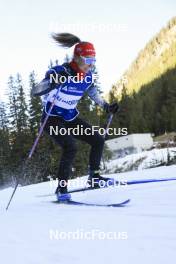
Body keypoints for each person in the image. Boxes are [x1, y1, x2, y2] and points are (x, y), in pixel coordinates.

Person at [39, 33, 119, 201]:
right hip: (52, 118)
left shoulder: (88, 77)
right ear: (77, 57)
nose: (91, 65)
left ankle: (95, 178)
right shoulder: (61, 70)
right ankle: (62, 189)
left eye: (93, 60)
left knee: (97, 140)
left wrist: (106, 107)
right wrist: (54, 81)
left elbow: (93, 93)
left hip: (69, 118)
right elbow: (39, 89)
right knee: (70, 146)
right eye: (88, 60)